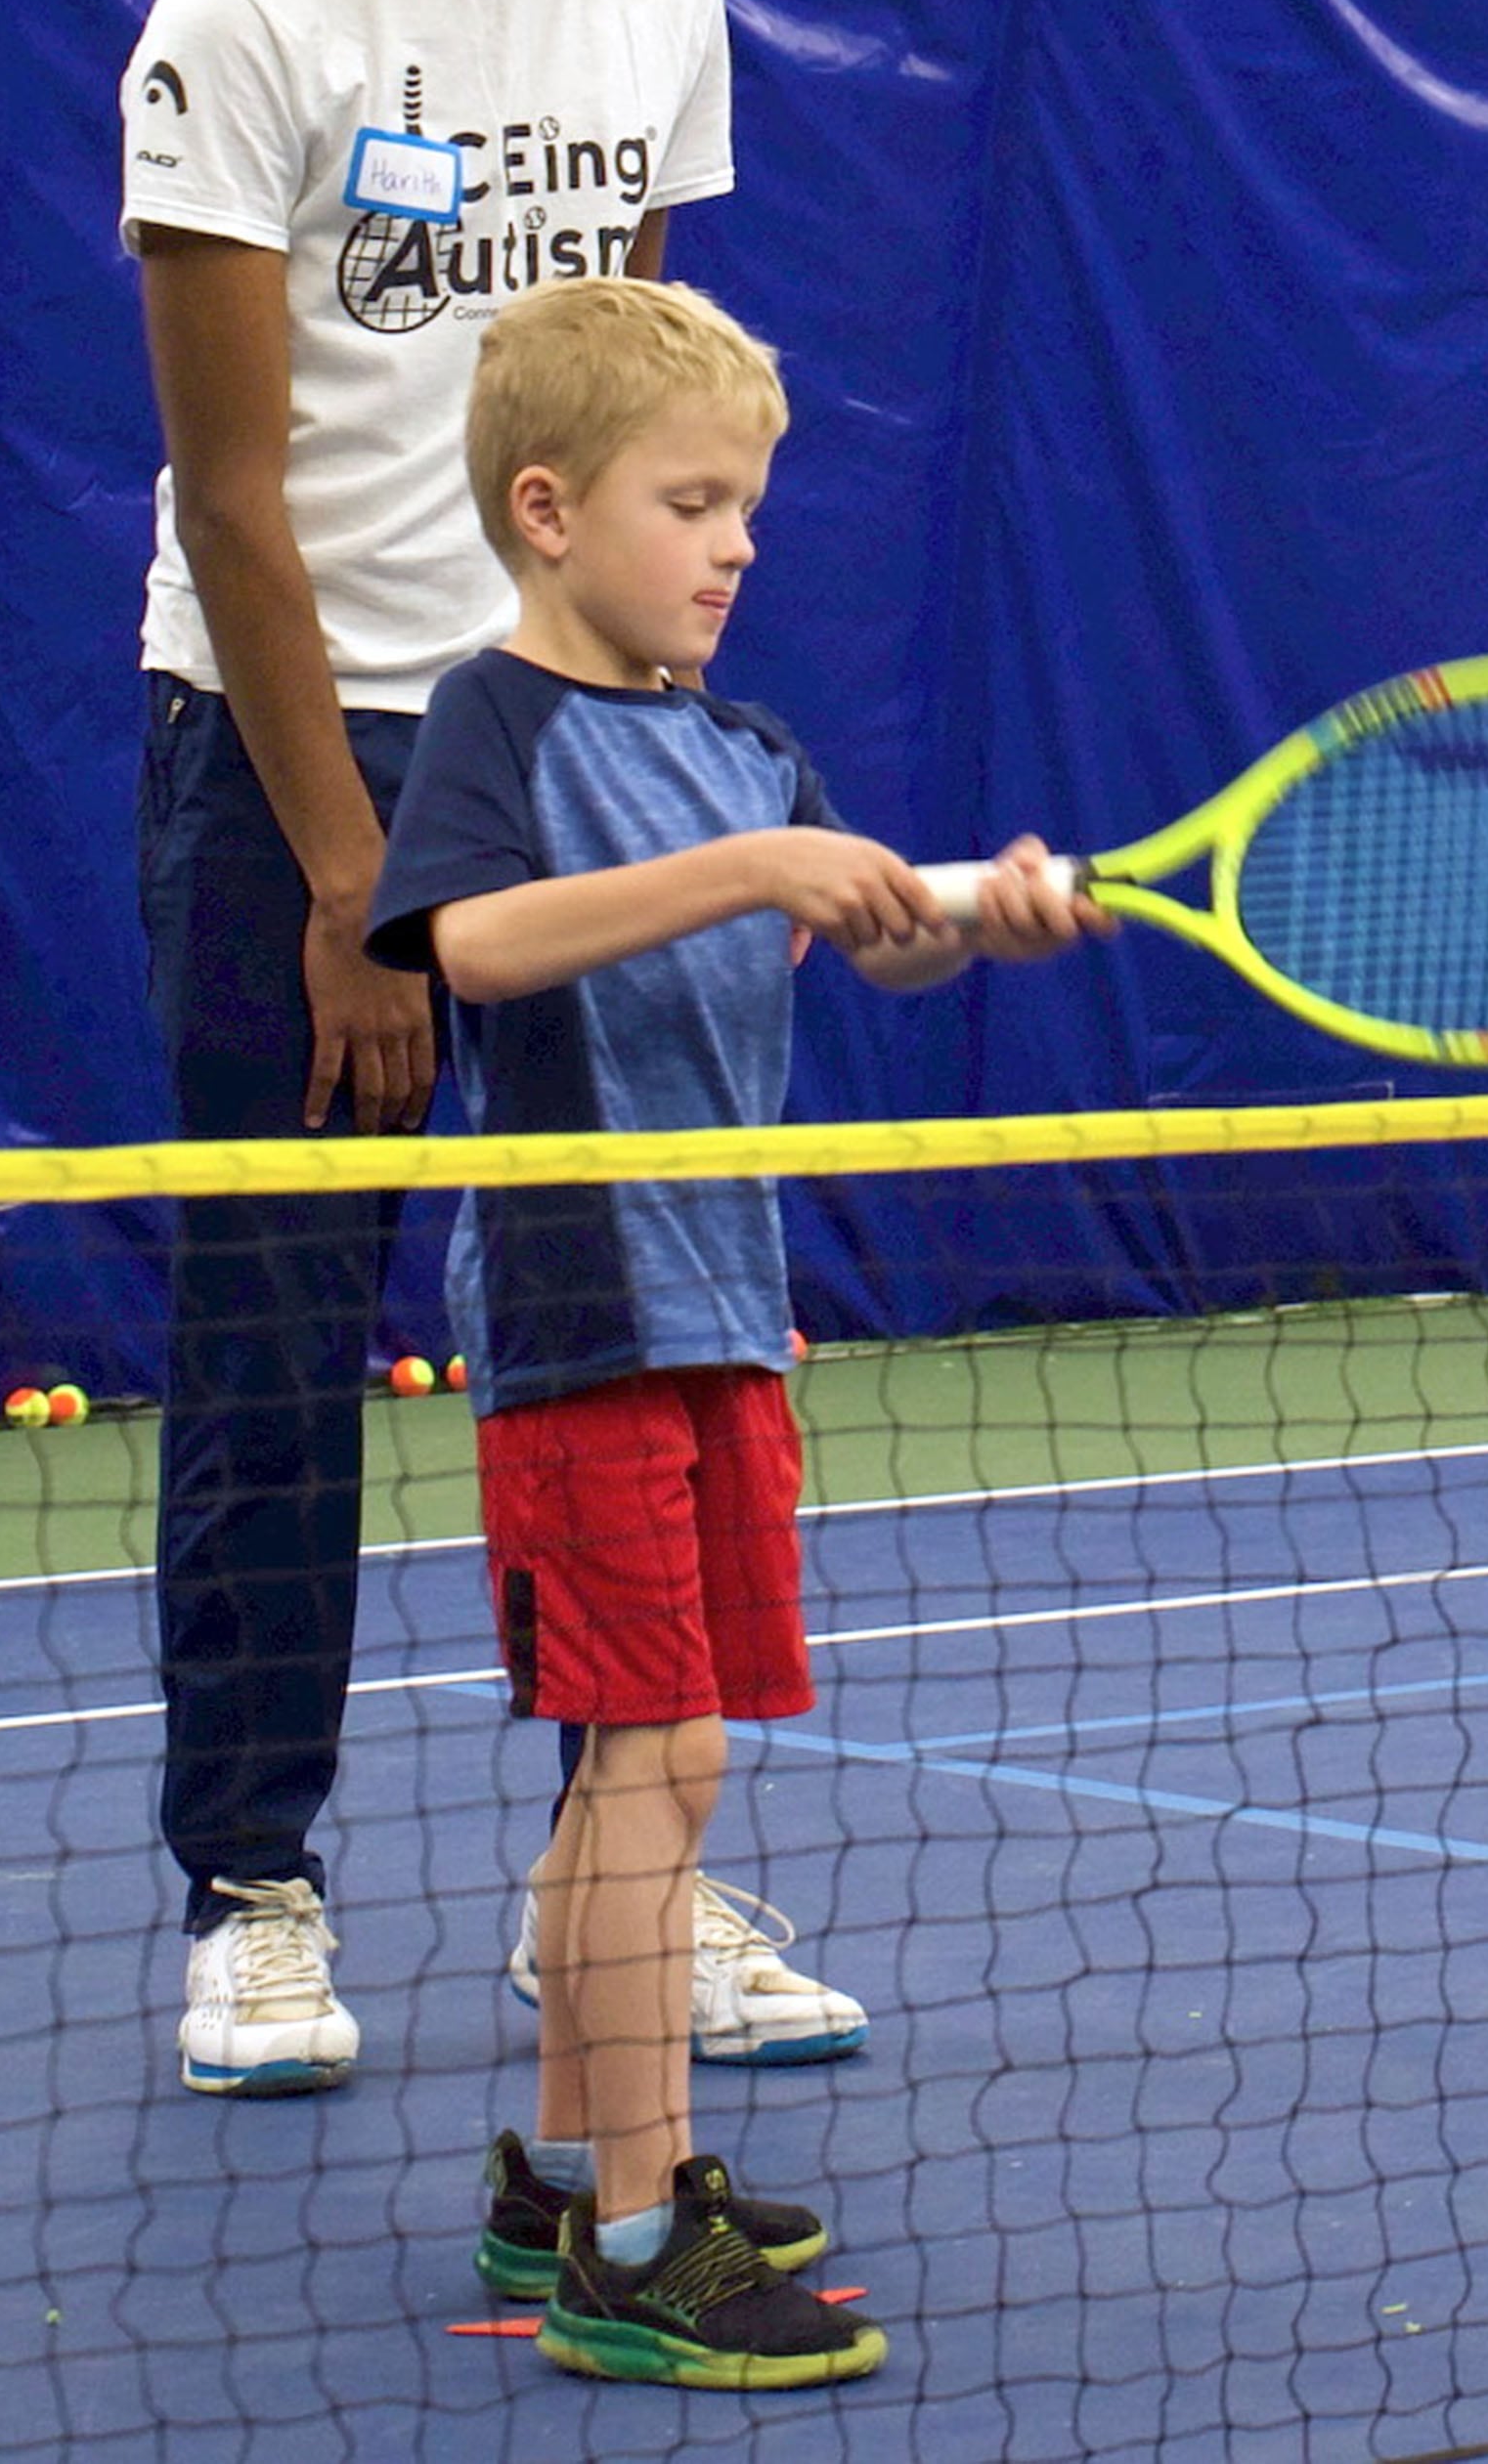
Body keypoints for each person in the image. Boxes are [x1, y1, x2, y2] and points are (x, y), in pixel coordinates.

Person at [116, 0, 860, 2097]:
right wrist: (350, 879)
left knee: (611, 1341)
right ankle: (251, 1885)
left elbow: (641, 416)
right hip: (294, 755)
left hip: (569, 755)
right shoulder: (243, 18)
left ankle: (606, 1891)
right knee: (282, 1330)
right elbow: (237, 495)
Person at [365, 274, 1099, 2384]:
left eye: (748, 509)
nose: (734, 543)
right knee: (655, 1759)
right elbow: (474, 945)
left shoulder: (741, 746)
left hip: (732, 1311)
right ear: (543, 509)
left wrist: (978, 915)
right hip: (587, 1311)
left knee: (654, 1762)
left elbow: (864, 948)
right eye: (691, 500)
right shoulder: (493, 722)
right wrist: (743, 862)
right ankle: (632, 2245)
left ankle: (567, 2167)